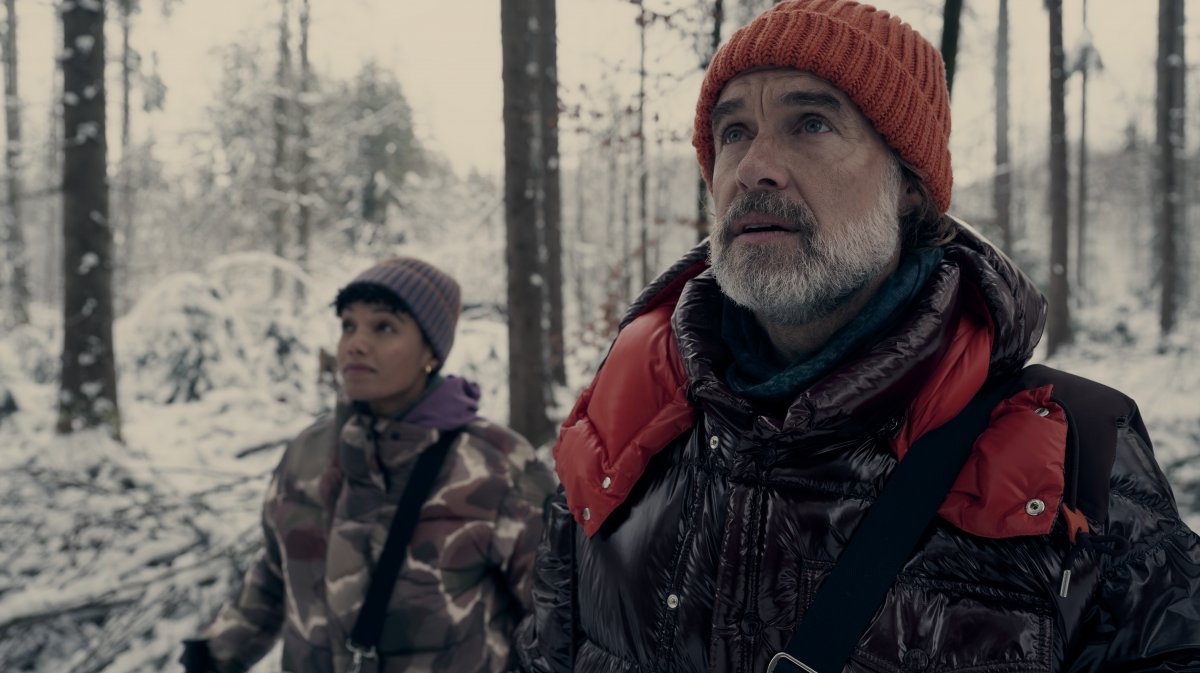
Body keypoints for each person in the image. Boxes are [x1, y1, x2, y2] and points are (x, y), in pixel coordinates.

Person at [513, 1, 1200, 671]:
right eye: (734, 132)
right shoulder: (623, 421)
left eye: (811, 123)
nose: (753, 166)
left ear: (909, 185)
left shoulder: (1073, 451)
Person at [183, 257, 554, 673]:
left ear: (430, 351)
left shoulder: (495, 463)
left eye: (384, 327)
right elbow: (273, 578)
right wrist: (210, 659)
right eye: (348, 325)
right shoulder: (308, 453)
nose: (355, 344)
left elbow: (556, 619)